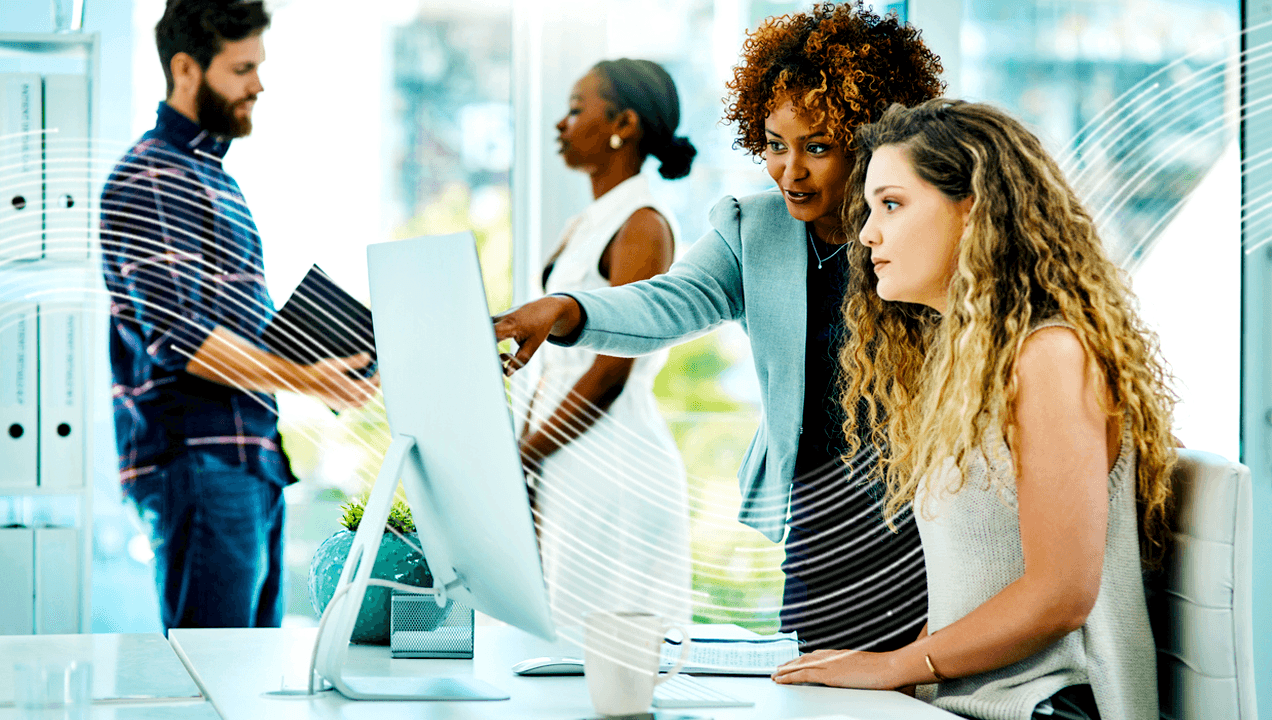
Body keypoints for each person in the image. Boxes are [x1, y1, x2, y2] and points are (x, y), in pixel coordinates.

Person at [495, 1, 943, 650]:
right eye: (774, 146)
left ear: (873, 142)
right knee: (816, 681)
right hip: (817, 513)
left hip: (922, 516)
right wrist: (570, 309)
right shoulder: (751, 228)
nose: (791, 171)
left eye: (817, 148)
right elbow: (667, 303)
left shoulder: (917, 228)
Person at [770, 99, 1176, 720]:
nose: (868, 232)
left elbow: (1060, 596)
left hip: (1052, 708)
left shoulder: (1049, 353)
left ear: (974, 210)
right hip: (973, 705)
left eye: (892, 204)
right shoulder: (966, 362)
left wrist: (891, 666)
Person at [100, 0, 378, 632]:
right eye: (242, 67)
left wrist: (340, 364)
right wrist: (314, 380)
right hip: (200, 461)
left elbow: (241, 328)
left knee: (248, 677)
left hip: (247, 459)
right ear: (186, 70)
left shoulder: (213, 177)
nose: (259, 83)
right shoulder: (153, 177)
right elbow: (182, 339)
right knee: (214, 679)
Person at [519, 59, 697, 624]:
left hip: (612, 467)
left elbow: (609, 371)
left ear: (623, 121)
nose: (560, 125)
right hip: (569, 455)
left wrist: (522, 457)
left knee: (599, 660)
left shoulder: (642, 222)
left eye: (576, 109)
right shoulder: (592, 219)